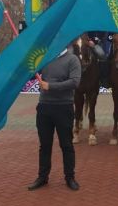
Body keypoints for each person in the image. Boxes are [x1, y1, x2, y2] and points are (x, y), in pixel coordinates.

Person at [28, 46, 82, 191]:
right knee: (44, 145)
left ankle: (70, 177)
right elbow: (34, 75)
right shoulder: (45, 59)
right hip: (44, 107)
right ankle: (42, 177)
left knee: (66, 145)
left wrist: (50, 86)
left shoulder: (72, 59)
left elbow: (74, 82)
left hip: (64, 107)